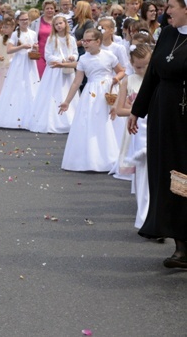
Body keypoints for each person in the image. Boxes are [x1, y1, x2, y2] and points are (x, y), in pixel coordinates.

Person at [128, 0, 187, 268]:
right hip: (164, 116)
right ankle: (181, 247)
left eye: (172, 6)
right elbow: (151, 75)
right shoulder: (167, 34)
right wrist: (137, 111)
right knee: (170, 178)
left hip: (185, 117)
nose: (167, 12)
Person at [59, 28, 125, 171]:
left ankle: (112, 156)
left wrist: (116, 78)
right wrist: (67, 101)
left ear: (98, 41)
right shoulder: (83, 59)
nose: (85, 43)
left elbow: (121, 71)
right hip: (91, 92)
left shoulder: (109, 56)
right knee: (90, 123)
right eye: (83, 40)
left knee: (109, 123)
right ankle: (91, 158)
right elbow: (77, 82)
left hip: (108, 90)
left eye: (88, 41)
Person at [114, 43, 152, 229]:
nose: (143, 70)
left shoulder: (156, 80)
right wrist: (138, 110)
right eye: (138, 66)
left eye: (147, 65)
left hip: (154, 130)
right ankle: (143, 216)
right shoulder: (128, 81)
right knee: (142, 176)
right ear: (131, 63)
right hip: (137, 132)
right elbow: (119, 109)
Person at [27, 15, 78, 134]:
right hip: (54, 71)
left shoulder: (71, 39)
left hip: (68, 71)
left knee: (67, 91)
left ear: (65, 24)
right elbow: (48, 56)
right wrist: (61, 60)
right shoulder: (51, 39)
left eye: (61, 23)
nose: (59, 26)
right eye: (56, 24)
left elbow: (75, 53)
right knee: (53, 93)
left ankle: (69, 119)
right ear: (54, 27)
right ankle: (52, 119)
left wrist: (72, 57)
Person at [0, 11, 40, 129]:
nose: (25, 22)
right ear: (18, 21)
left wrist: (35, 48)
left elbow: (34, 46)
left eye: (27, 19)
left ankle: (30, 115)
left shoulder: (33, 33)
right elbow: (9, 50)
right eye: (22, 20)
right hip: (19, 62)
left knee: (30, 85)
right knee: (17, 86)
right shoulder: (14, 34)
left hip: (29, 62)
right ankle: (13, 115)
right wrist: (22, 46)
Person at [30, 0, 56, 77]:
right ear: (43, 10)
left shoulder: (58, 22)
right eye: (47, 8)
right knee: (40, 76)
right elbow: (31, 37)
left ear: (55, 10)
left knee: (52, 78)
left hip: (54, 54)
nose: (49, 10)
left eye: (51, 8)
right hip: (40, 54)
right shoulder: (36, 23)